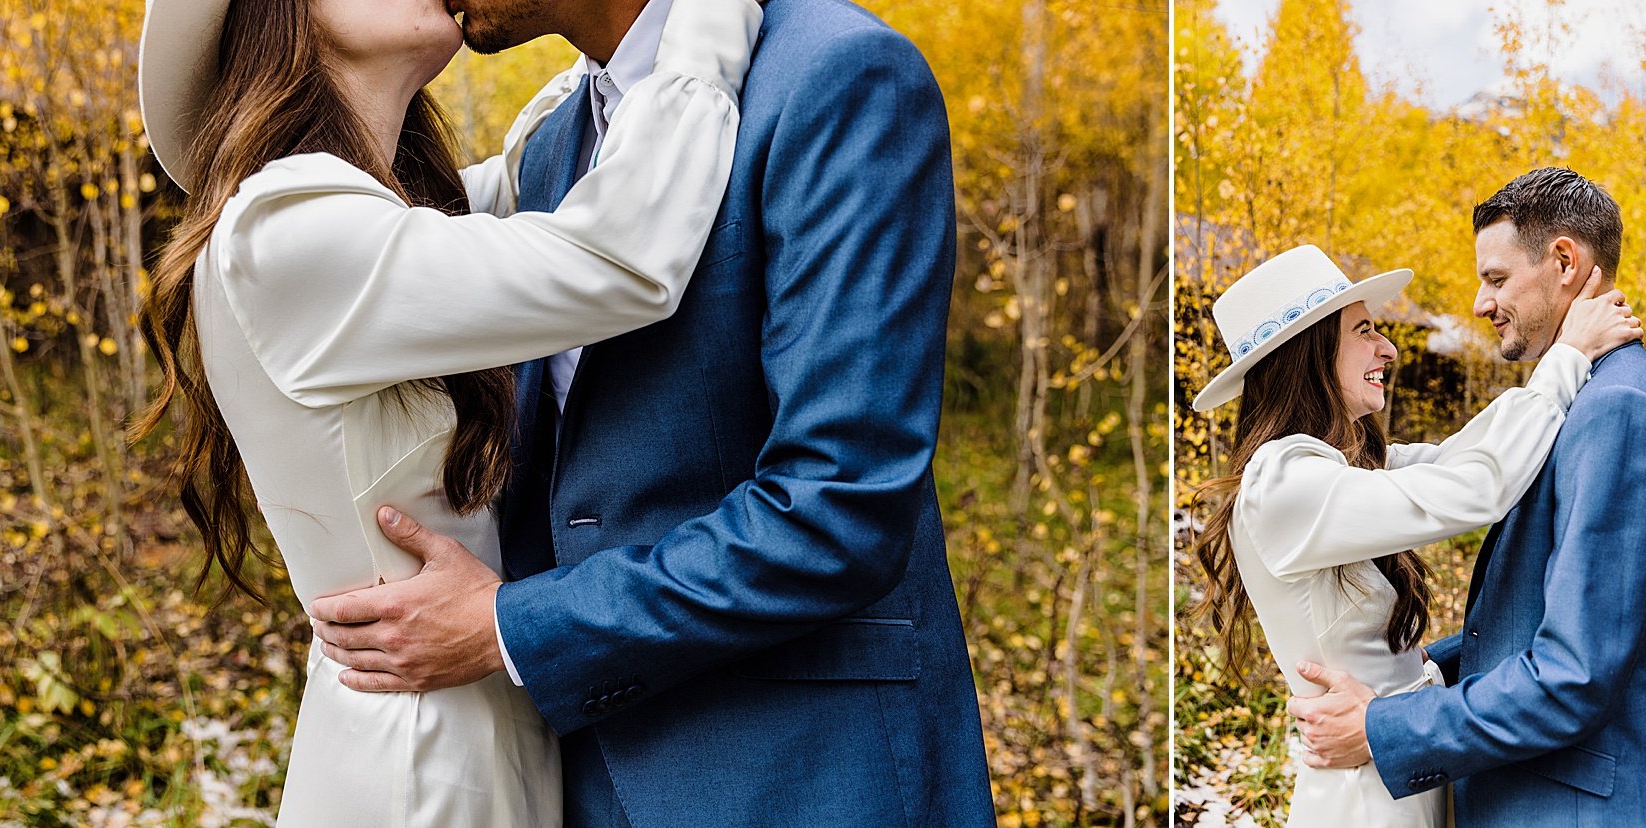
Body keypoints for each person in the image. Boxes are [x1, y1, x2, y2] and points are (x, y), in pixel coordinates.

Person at [304, 0, 1000, 823]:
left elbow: (839, 504)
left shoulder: (839, 74)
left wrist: (510, 627)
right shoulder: (560, 142)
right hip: (578, 774)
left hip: (805, 774)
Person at [133, 0, 760, 822]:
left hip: (473, 731)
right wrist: (711, 14)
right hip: (416, 765)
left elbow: (549, 174)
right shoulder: (282, 231)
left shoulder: (361, 220)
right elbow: (617, 256)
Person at [1288, 169, 1646, 826]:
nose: (1481, 305)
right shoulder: (1580, 399)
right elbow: (1553, 616)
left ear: (1565, 261)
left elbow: (1573, 675)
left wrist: (1385, 727)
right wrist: (1423, 669)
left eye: (1495, 278)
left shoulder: (1618, 410)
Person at [1189, 242, 1641, 827]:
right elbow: (1481, 486)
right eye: (1364, 330)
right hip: (1363, 799)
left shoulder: (1335, 469)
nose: (1389, 347)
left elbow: (1463, 456)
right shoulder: (1284, 483)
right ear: (1308, 351)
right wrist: (1570, 355)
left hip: (1394, 763)